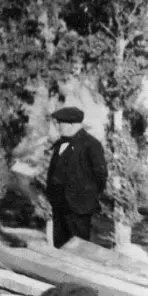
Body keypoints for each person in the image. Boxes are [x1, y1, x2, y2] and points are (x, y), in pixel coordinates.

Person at [44, 105, 108, 248]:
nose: (58, 126)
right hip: (60, 206)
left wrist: (87, 196)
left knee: (78, 248)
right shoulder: (61, 142)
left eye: (61, 123)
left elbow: (101, 175)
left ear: (73, 124)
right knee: (60, 246)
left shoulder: (91, 144)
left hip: (79, 208)